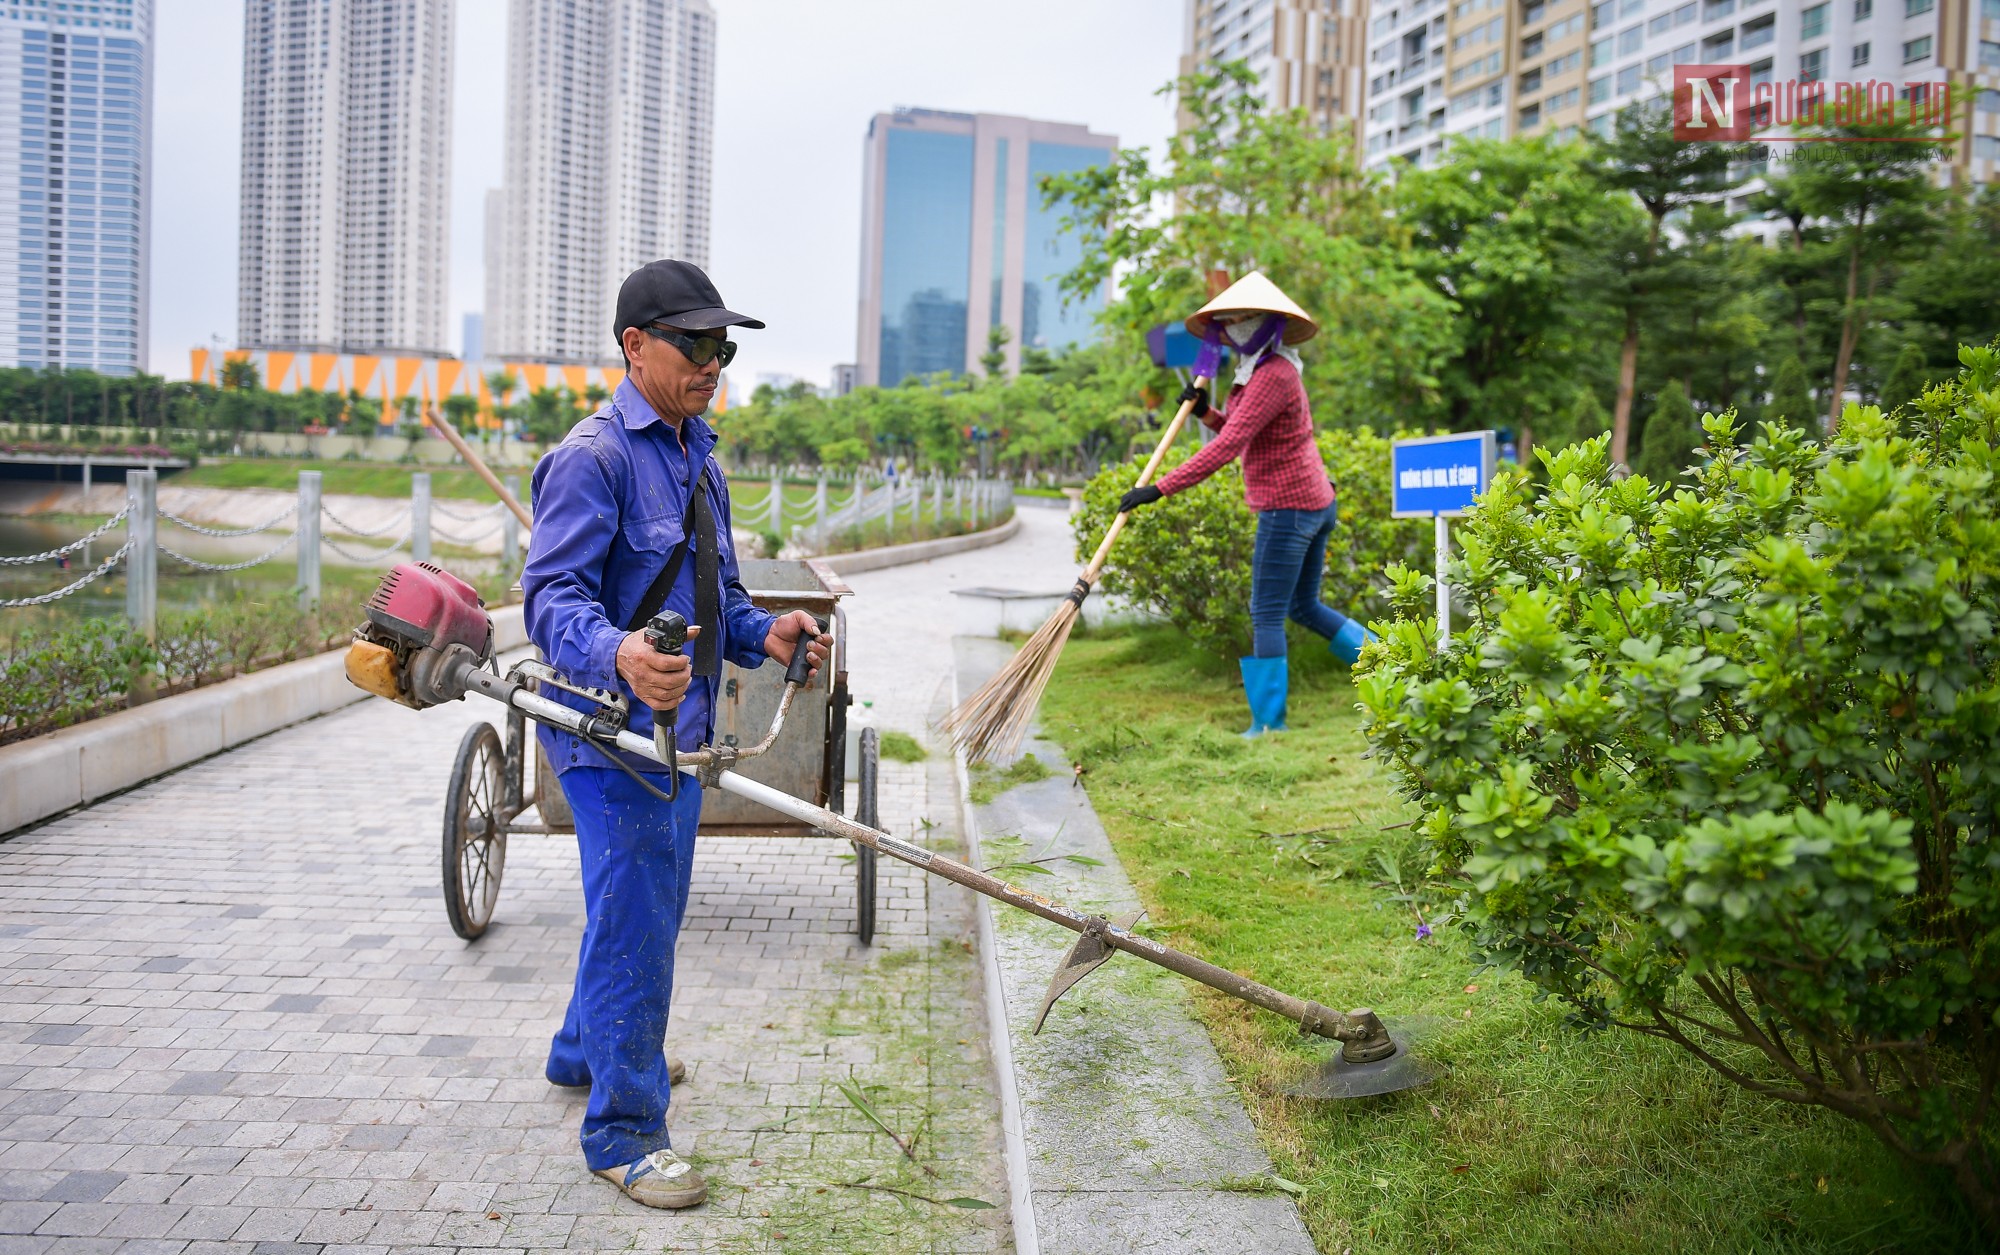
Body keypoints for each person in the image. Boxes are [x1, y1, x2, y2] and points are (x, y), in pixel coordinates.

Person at [522, 259, 830, 1209]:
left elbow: (721, 603)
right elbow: (547, 599)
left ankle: (583, 1049)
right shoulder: (595, 456)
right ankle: (624, 1130)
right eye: (694, 344)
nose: (712, 362)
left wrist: (766, 632)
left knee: (631, 907)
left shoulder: (700, 457)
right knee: (640, 919)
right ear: (635, 346)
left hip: (680, 735)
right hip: (607, 734)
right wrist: (617, 654)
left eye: (721, 346)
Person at [1116, 272, 1373, 737]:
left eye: (1238, 319)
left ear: (1263, 323)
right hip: (1313, 501)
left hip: (1290, 509)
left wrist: (1159, 489)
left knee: (1268, 612)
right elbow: (1243, 430)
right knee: (1304, 607)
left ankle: (1269, 725)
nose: (1230, 327)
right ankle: (1390, 666)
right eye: (1227, 320)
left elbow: (1228, 447)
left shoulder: (1272, 374)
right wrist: (1203, 413)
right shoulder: (1260, 370)